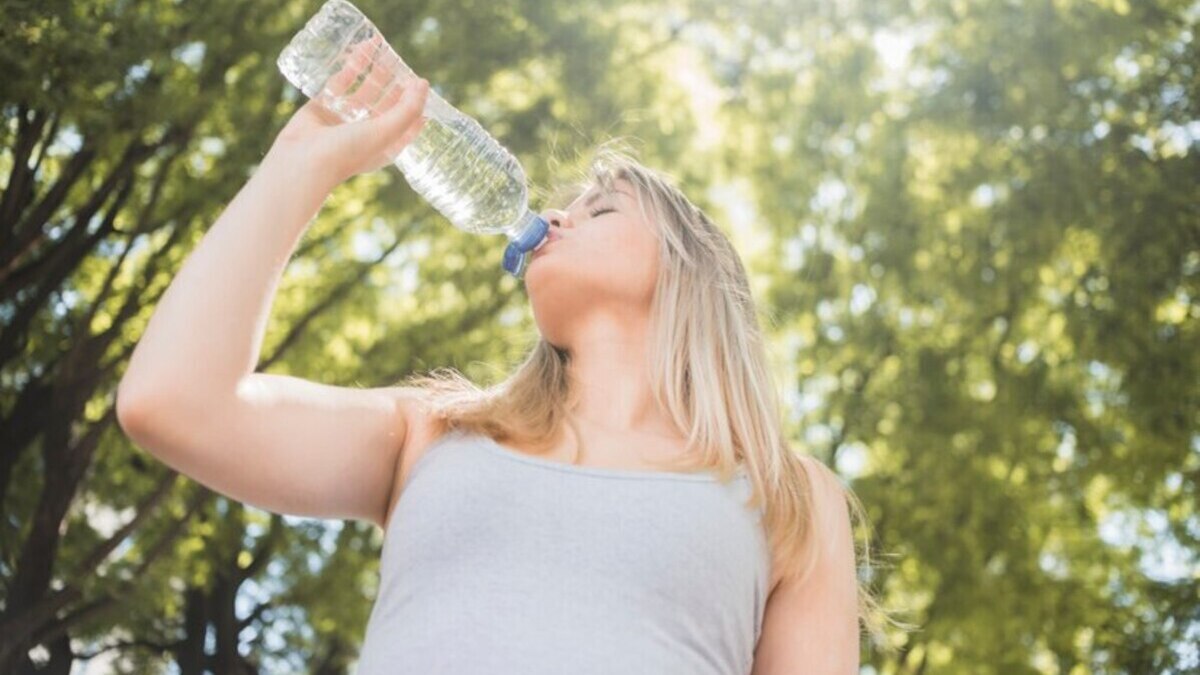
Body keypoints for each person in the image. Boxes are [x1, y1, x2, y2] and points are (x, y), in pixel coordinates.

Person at [117, 65, 888, 674]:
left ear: (692, 273)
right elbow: (173, 401)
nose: (557, 216)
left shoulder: (788, 496)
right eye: (564, 204)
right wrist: (300, 165)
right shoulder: (429, 432)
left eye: (602, 208)